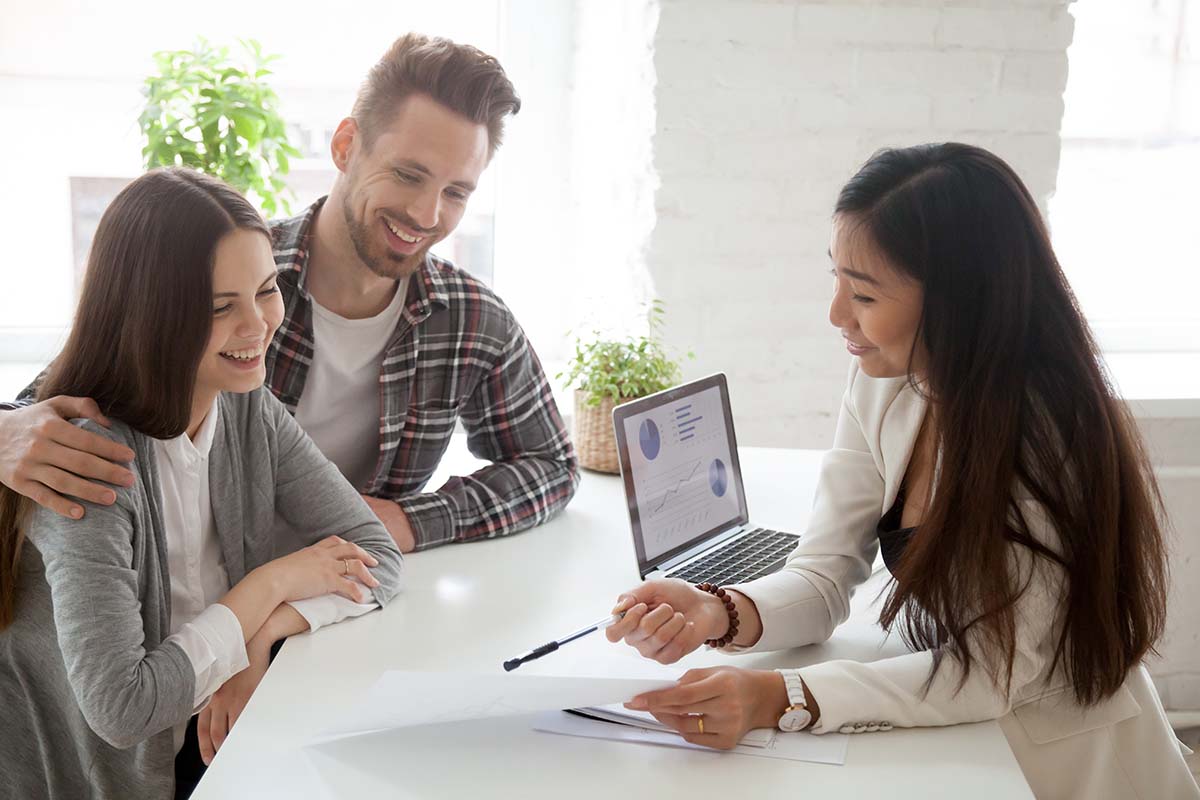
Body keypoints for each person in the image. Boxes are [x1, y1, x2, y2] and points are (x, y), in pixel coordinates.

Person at [604, 144, 1200, 799]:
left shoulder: (1045, 432)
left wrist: (776, 695)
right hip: (963, 739)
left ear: (959, 303)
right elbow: (825, 573)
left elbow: (992, 671)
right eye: (836, 279)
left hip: (1066, 766)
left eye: (863, 292)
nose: (836, 315)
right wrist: (717, 610)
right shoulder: (885, 383)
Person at [0, 33, 578, 554]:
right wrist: (5, 434)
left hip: (336, 603)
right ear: (346, 145)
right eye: (407, 175)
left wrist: (410, 520)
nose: (427, 215)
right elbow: (46, 403)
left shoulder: (471, 320)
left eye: (456, 192)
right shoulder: (228, 277)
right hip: (193, 613)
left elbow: (552, 465)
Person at [0, 168, 405, 800]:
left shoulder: (244, 406)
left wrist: (260, 636)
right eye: (219, 308)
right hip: (123, 775)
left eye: (267, 291)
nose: (257, 326)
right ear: (148, 315)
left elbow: (376, 555)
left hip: (221, 726)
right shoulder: (87, 457)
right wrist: (267, 584)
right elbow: (124, 710)